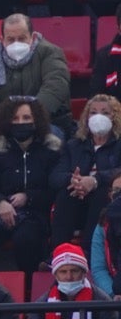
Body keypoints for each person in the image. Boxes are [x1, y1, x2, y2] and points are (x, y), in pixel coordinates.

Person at [0, 13, 73, 184]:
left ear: (32, 37)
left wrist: (34, 117)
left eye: (22, 38)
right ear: (2, 40)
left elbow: (56, 84)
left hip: (47, 124)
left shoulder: (50, 53)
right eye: (10, 39)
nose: (16, 43)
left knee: (52, 141)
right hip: (6, 126)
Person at [0, 98, 59, 273]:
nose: (21, 122)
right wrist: (0, 203)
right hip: (0, 214)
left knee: (26, 238)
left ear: (36, 120)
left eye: (26, 118)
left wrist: (28, 197)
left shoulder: (49, 151)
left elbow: (53, 191)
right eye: (15, 118)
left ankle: (28, 284)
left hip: (35, 214)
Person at [52, 95, 121, 250]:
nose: (98, 117)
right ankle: (58, 252)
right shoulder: (73, 145)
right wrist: (73, 180)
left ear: (114, 117)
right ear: (86, 117)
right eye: (93, 112)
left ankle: (89, 252)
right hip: (77, 199)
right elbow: (55, 176)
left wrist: (95, 180)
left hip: (106, 201)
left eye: (105, 113)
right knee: (65, 194)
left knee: (102, 193)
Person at [41, 243, 118, 319]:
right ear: (55, 275)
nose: (69, 277)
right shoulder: (41, 304)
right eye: (63, 272)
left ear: (84, 273)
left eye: (74, 271)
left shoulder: (103, 301)